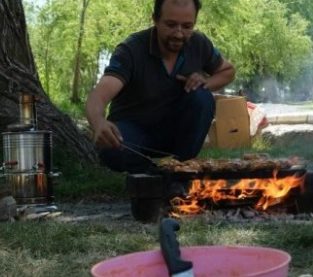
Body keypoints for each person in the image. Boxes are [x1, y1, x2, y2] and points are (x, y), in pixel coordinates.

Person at [85, 0, 235, 174]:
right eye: (171, 25)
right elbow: (98, 95)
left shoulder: (199, 44)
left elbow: (228, 71)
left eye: (187, 26)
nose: (179, 34)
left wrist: (205, 82)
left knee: (202, 97)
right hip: (132, 131)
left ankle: (183, 168)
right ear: (155, 19)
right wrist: (98, 122)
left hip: (173, 130)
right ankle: (150, 173)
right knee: (113, 151)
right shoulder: (131, 49)